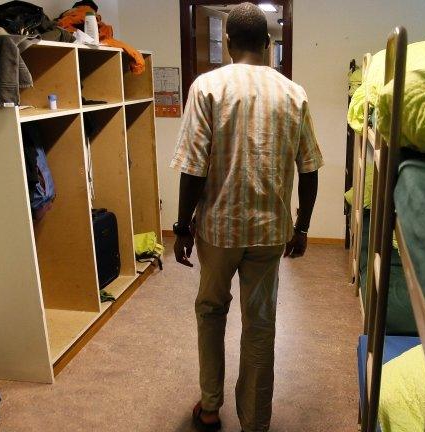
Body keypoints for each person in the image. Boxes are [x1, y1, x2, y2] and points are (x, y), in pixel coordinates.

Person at [169, 3, 323, 431]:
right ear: (269, 42)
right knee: (260, 326)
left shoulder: (207, 87)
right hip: (271, 231)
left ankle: (211, 406)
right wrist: (303, 226)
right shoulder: (294, 93)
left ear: (230, 42)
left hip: (218, 229)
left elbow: (193, 168)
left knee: (211, 311)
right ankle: (255, 421)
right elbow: (309, 169)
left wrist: (182, 227)